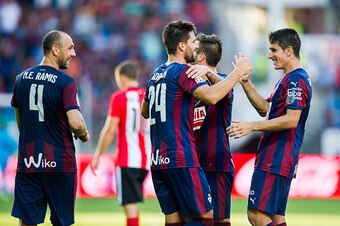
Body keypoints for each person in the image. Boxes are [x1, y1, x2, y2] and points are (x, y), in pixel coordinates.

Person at [141, 20, 252, 226]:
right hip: (182, 158)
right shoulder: (183, 72)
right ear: (181, 46)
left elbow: (145, 111)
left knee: (174, 219)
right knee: (205, 217)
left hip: (158, 161)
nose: (195, 46)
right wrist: (238, 72)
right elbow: (211, 97)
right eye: (192, 41)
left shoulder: (154, 75)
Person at [227, 28, 312, 226]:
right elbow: (265, 108)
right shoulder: (289, 78)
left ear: (289, 51)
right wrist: (245, 82)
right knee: (276, 218)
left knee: (256, 215)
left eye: (274, 50)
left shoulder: (296, 81)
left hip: (276, 157)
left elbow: (292, 120)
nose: (269, 55)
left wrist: (252, 127)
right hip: (280, 157)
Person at [10, 30, 90, 226]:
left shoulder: (20, 79)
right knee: (61, 222)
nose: (74, 53)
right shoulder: (66, 82)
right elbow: (76, 123)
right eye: (70, 48)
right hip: (59, 165)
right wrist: (84, 134)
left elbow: (21, 124)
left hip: (29, 163)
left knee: (27, 222)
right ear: (55, 49)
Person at [91, 60, 150, 226]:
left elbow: (110, 130)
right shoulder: (147, 96)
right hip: (145, 161)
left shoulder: (119, 97)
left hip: (127, 160)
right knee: (131, 205)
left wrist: (97, 156)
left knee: (129, 205)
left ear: (122, 78)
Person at [193, 33, 235, 226]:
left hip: (217, 164)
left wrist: (207, 73)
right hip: (193, 164)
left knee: (220, 220)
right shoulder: (191, 86)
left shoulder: (225, 81)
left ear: (201, 57)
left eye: (195, 49)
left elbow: (226, 90)